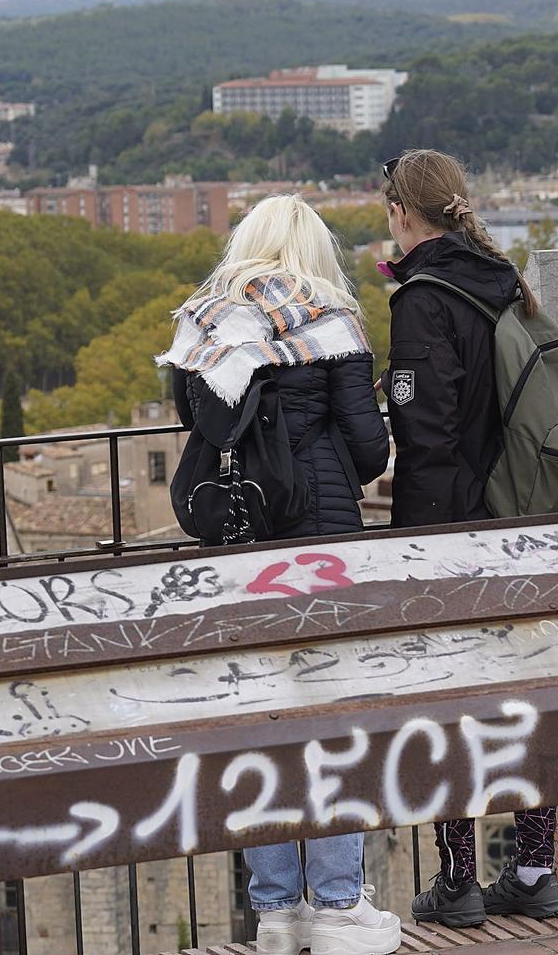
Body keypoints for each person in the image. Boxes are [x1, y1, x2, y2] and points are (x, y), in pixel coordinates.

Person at [158, 194, 400, 955]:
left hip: (240, 544)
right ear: (314, 248)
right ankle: (335, 905)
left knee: (259, 718)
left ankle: (274, 911)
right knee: (332, 717)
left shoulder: (204, 320)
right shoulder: (329, 319)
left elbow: (196, 423)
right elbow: (368, 445)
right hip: (321, 540)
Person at [379, 149, 558, 929]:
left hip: (456, 530)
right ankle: (534, 866)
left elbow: (426, 433)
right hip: (523, 518)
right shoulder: (501, 277)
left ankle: (457, 878)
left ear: (403, 212)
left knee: (450, 704)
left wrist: (417, 541)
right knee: (521, 701)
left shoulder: (424, 296)